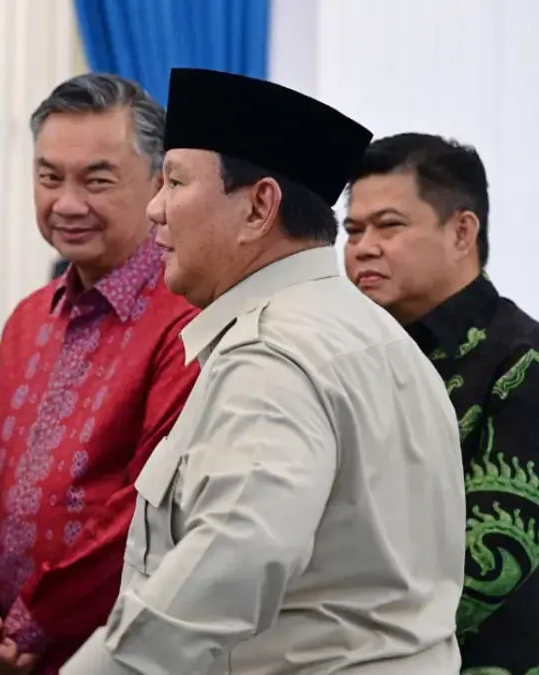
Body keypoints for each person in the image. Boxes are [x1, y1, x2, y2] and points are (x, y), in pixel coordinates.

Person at [63, 68, 467, 674]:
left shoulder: (275, 353)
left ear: (259, 207)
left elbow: (234, 556)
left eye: (173, 181)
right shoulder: (376, 335)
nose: (155, 210)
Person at [0, 73, 200, 674]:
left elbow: (146, 508)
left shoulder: (187, 320)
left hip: (120, 654)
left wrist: (32, 627)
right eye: (49, 176)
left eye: (97, 180)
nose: (66, 203)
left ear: (159, 183)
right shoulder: (28, 319)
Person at [344, 132, 539, 674]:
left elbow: (490, 566)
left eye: (389, 225)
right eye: (352, 230)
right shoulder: (356, 359)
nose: (362, 248)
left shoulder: (520, 363)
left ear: (461, 231)